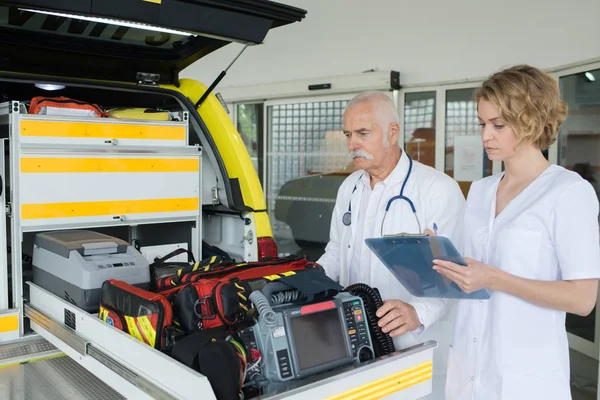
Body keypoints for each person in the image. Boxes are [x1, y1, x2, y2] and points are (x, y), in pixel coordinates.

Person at [432, 65, 600, 400]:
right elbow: (468, 272)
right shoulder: (480, 190)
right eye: (482, 124)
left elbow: (583, 299)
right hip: (467, 371)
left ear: (531, 120)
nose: (485, 136)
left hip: (525, 377)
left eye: (498, 124)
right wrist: (435, 254)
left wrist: (494, 278)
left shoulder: (568, 192)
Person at [316, 91, 465, 399]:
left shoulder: (437, 190)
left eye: (363, 133)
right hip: (353, 336)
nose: (352, 144)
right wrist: (307, 278)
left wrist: (418, 312)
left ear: (393, 132)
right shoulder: (350, 187)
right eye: (348, 135)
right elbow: (336, 249)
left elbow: (456, 274)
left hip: (413, 342)